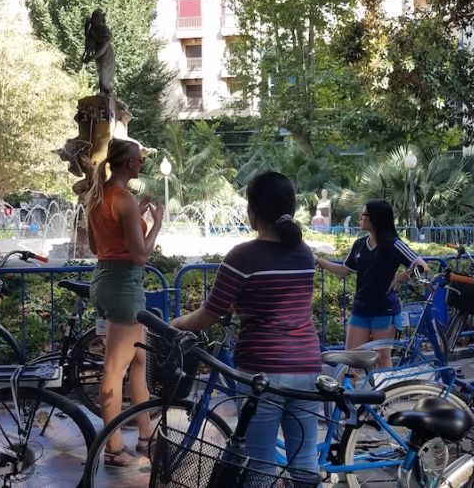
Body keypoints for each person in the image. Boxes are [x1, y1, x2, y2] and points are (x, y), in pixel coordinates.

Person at [171, 171, 322, 475]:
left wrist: (175, 324)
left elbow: (207, 315)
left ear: (253, 211)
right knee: (305, 460)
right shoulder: (304, 254)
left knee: (259, 463)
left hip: (261, 373)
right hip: (307, 366)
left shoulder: (242, 256)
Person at [85, 138, 164, 466]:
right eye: (137, 159)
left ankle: (145, 434)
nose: (141, 163)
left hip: (104, 281)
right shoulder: (125, 199)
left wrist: (137, 216)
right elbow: (141, 255)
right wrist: (156, 223)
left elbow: (94, 246)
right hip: (124, 286)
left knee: (139, 362)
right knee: (115, 369)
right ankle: (114, 447)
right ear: (128, 163)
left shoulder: (96, 196)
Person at [315, 200, 427, 368]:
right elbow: (344, 270)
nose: (360, 218)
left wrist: (399, 278)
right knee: (351, 360)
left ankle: (387, 394)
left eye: (364, 215)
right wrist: (317, 260)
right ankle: (348, 393)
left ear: (375, 218)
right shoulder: (359, 245)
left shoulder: (393, 244)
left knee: (382, 358)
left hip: (384, 310)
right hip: (361, 310)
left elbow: (422, 266)